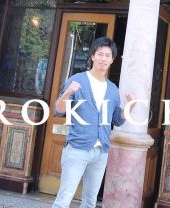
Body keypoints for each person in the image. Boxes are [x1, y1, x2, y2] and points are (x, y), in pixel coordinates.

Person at [52, 36, 135, 208]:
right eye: (100, 54)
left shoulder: (112, 89)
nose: (103, 58)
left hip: (101, 152)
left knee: (90, 201)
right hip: (77, 149)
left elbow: (117, 121)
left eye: (107, 55)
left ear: (112, 60)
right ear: (92, 56)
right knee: (64, 199)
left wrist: (130, 106)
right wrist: (67, 93)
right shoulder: (77, 81)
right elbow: (58, 110)